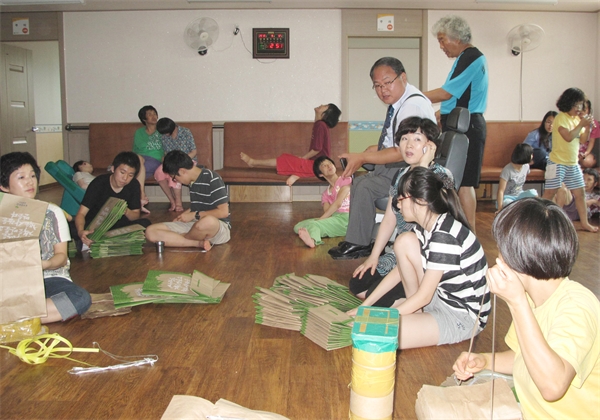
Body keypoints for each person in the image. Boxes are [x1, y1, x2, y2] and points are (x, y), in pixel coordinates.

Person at [453, 197, 599, 419]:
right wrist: (485, 360)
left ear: (518, 257)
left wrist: (516, 302)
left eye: (501, 250)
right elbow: (523, 357)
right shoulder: (532, 298)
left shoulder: (577, 306)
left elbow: (553, 386)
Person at [347, 166, 490, 350]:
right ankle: (416, 314)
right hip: (440, 298)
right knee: (403, 241)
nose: (397, 206)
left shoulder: (444, 236)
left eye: (401, 199)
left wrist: (378, 318)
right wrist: (365, 307)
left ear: (420, 200)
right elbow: (398, 271)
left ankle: (415, 315)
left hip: (461, 317)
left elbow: (424, 296)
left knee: (374, 332)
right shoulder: (426, 227)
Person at [330, 57, 436, 259]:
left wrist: (363, 158)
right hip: (398, 164)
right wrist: (370, 152)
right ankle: (362, 238)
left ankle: (359, 243)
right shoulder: (400, 103)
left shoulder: (411, 105)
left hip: (409, 169)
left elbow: (402, 151)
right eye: (377, 86)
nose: (383, 90)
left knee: (364, 185)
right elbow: (391, 143)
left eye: (388, 82)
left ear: (403, 77)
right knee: (361, 181)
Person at [349, 117, 454, 306]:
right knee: (358, 284)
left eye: (417, 139)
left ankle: (420, 298)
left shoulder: (440, 175)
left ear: (430, 145)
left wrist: (423, 166)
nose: (409, 145)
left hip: (425, 257)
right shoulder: (400, 175)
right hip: (399, 252)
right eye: (404, 139)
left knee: (377, 298)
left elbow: (425, 209)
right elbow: (389, 218)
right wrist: (373, 256)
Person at [1, 152, 91, 323]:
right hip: (8, 279)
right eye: (21, 177)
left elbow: (61, 257)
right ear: (4, 186)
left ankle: (12, 315)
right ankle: (21, 315)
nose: (30, 182)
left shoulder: (52, 212)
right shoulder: (2, 214)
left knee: (79, 298)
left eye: (32, 176)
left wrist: (43, 265)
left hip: (48, 278)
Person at [423, 15, 488, 233]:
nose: (441, 46)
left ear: (457, 38)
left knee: (463, 184)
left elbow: (446, 93)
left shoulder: (471, 57)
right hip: (460, 123)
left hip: (467, 127)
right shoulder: (465, 58)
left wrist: (413, 95)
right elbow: (457, 96)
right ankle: (459, 231)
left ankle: (470, 235)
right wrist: (441, 113)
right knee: (453, 182)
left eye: (442, 40)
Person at [145, 150, 230, 251]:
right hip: (195, 224)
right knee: (150, 231)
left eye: (174, 178)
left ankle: (181, 238)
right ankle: (197, 243)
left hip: (217, 227)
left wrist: (194, 215)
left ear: (182, 171)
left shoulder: (213, 178)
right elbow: (199, 205)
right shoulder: (192, 181)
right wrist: (184, 215)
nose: (175, 181)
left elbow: (223, 212)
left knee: (208, 222)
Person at [240, 104, 341, 186]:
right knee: (286, 158)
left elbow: (317, 148)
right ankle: (298, 173)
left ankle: (297, 174)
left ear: (326, 114)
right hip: (315, 163)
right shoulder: (320, 125)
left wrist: (304, 158)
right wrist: (303, 159)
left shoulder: (320, 125)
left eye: (325, 106)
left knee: (287, 161)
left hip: (318, 165)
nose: (321, 105)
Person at [541, 88, 598, 233]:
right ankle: (539, 220)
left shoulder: (577, 120)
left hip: (572, 164)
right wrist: (581, 125)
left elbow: (583, 139)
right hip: (557, 163)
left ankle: (584, 223)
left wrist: (587, 126)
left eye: (581, 105)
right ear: (569, 103)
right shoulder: (561, 118)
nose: (579, 108)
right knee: (549, 193)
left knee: (580, 193)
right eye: (577, 104)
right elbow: (568, 137)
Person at [75, 151, 152, 248]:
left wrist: (126, 211)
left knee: (145, 224)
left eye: (130, 175)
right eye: (122, 172)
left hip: (118, 226)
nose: (125, 178)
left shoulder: (134, 185)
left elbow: (135, 215)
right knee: (71, 228)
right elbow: (81, 214)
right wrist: (81, 231)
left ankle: (104, 241)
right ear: (113, 169)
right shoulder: (98, 183)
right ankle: (108, 240)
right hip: (95, 226)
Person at [293, 156, 351, 248]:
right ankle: (314, 230)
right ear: (320, 174)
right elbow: (328, 213)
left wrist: (320, 220)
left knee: (315, 224)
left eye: (330, 163)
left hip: (349, 219)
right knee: (298, 226)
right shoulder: (325, 194)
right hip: (337, 218)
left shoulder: (346, 180)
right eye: (324, 165)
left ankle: (312, 241)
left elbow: (338, 203)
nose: (329, 166)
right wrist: (321, 220)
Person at [154, 117, 197, 212]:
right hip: (171, 161)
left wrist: (181, 162)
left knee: (174, 172)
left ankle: (178, 203)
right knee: (159, 172)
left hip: (187, 161)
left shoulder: (186, 132)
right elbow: (166, 153)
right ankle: (172, 200)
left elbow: (194, 151)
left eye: (166, 132)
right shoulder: (163, 136)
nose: (165, 135)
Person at [133, 105, 163, 214]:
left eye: (155, 114)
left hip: (155, 160)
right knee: (135, 169)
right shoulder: (139, 132)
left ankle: (139, 197)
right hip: (140, 158)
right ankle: (138, 202)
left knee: (133, 175)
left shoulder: (162, 131)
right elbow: (135, 150)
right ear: (144, 119)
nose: (154, 116)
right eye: (150, 114)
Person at [495, 143, 538, 213]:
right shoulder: (507, 170)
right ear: (525, 155)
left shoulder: (526, 166)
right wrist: (500, 208)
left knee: (533, 192)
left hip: (520, 195)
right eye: (531, 154)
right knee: (508, 203)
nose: (532, 156)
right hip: (507, 197)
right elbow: (500, 190)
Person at [578, 99, 598, 168]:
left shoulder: (593, 123)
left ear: (589, 110)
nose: (582, 111)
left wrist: (586, 153)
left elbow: (592, 141)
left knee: (588, 161)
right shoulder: (573, 121)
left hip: (585, 152)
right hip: (573, 151)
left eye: (585, 109)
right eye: (580, 108)